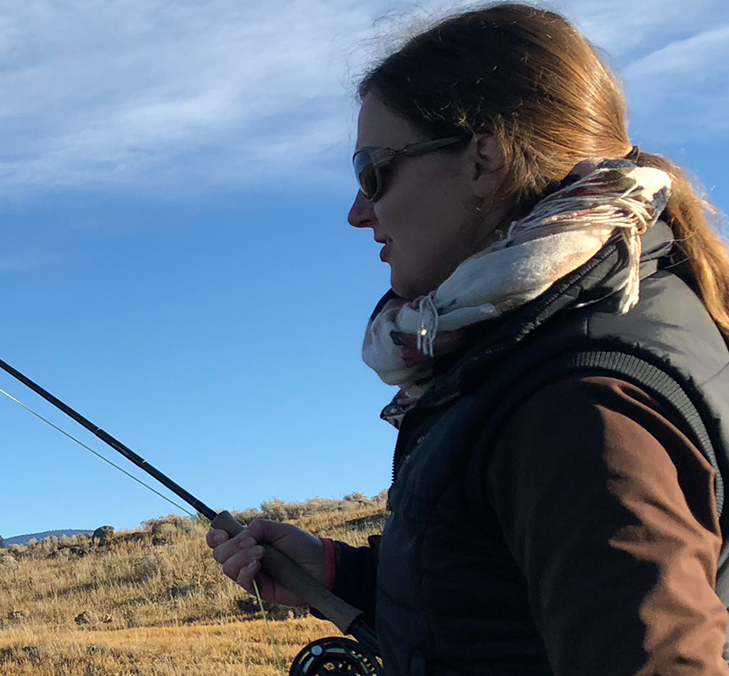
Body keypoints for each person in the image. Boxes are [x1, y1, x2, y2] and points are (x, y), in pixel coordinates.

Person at [205, 5, 729, 675]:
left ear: (485, 161)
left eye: (373, 173)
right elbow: (519, 607)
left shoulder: (578, 395)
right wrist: (342, 574)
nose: (357, 212)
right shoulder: (550, 340)